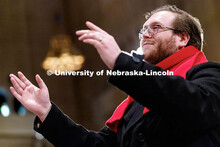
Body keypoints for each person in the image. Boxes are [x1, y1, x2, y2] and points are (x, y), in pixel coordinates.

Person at [9, 5, 220, 147]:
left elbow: (191, 103)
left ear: (183, 38)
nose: (145, 34)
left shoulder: (208, 75)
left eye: (156, 28)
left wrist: (121, 62)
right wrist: (48, 113)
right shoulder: (136, 103)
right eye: (143, 30)